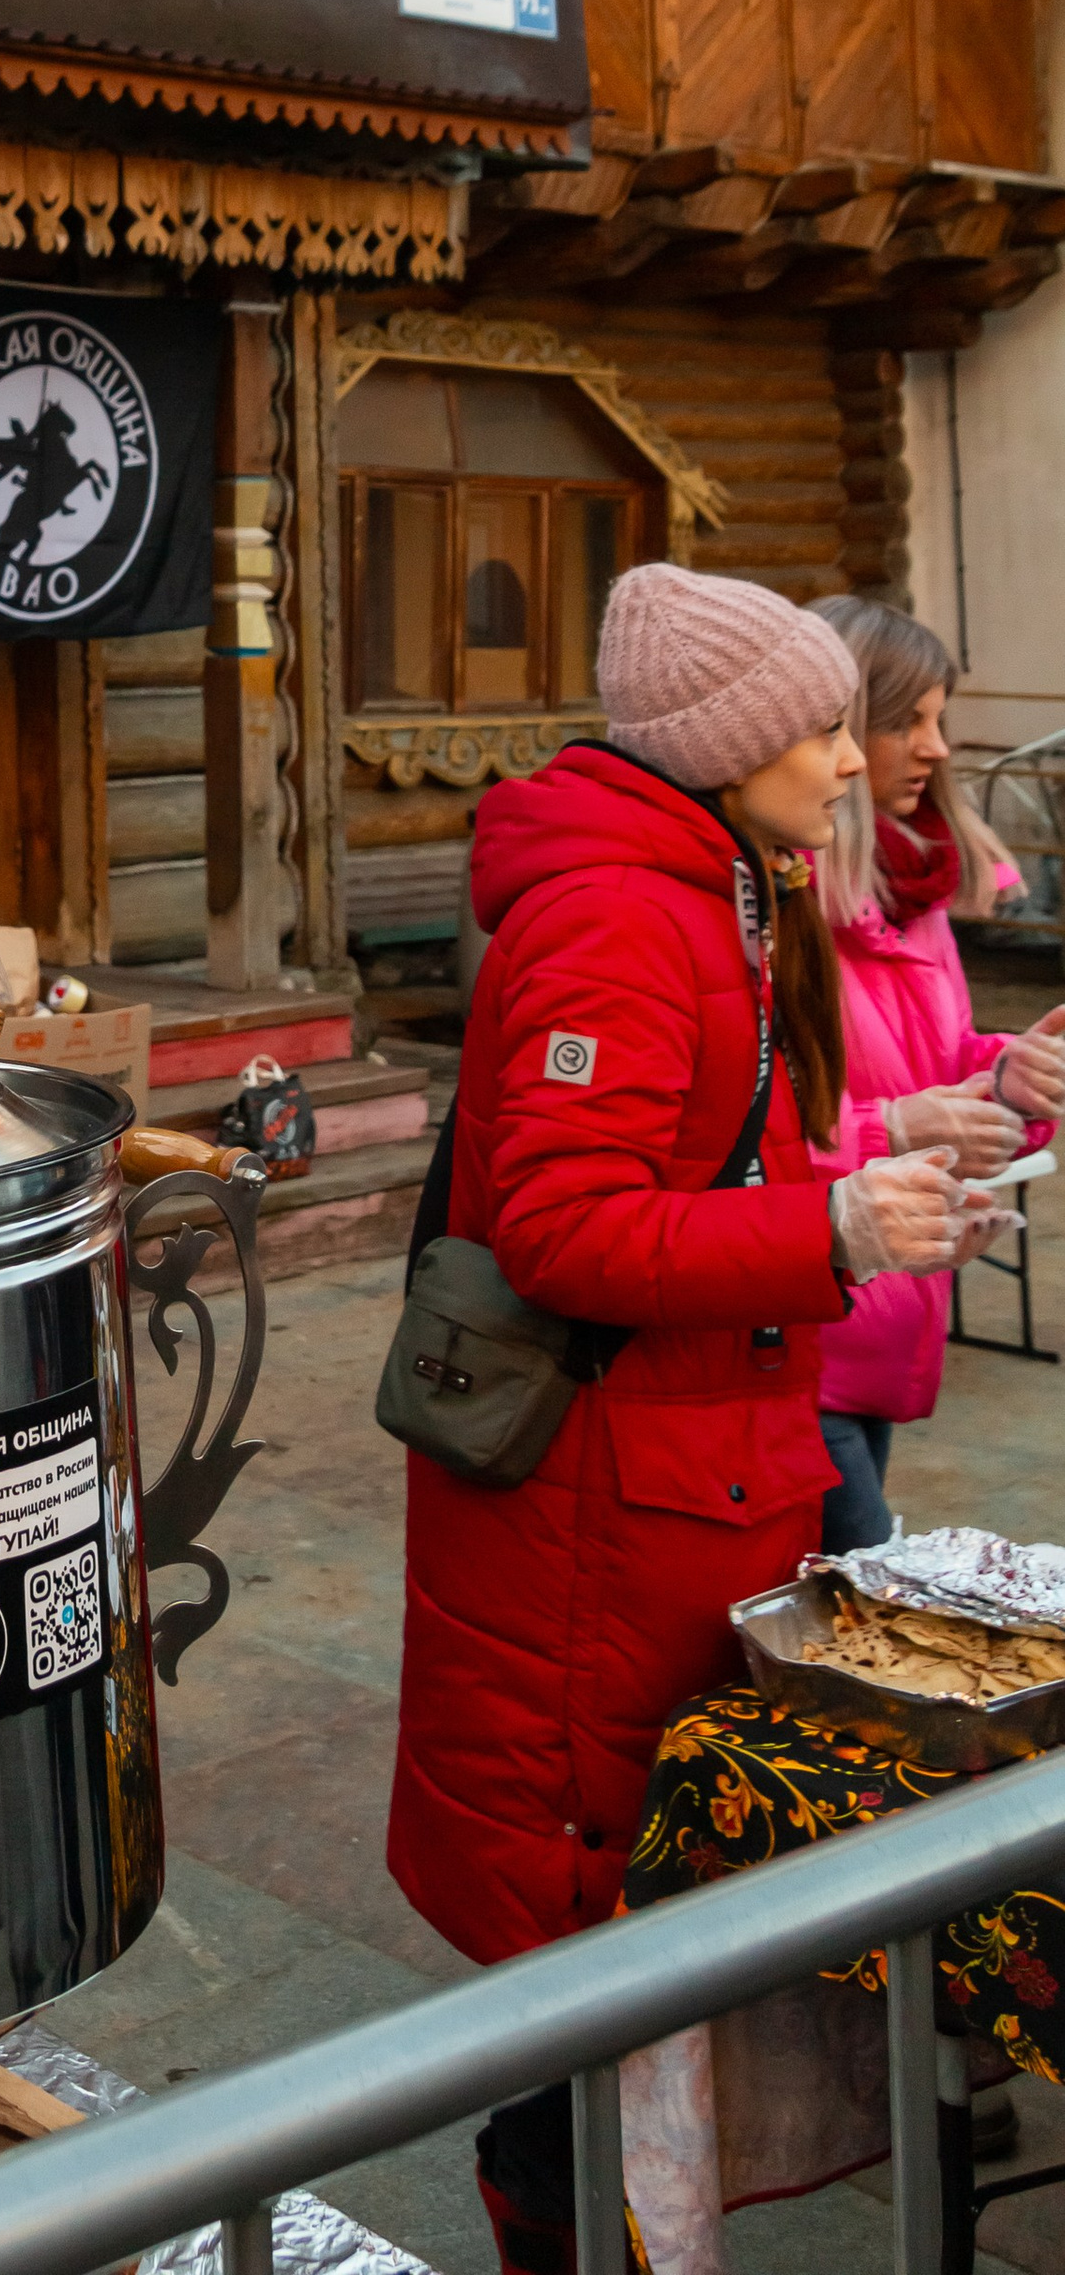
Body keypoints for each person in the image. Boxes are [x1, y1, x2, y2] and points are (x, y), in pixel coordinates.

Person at [386, 564, 1004, 2275]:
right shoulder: (622, 914)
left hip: (686, 1489)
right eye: (819, 728)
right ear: (727, 747)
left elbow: (696, 1161)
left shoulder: (719, 886)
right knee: (588, 1967)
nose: (851, 761)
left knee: (633, 1953)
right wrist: (836, 1230)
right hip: (598, 1522)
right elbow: (563, 1225)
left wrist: (877, 1151)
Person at [805, 596, 1065, 1552]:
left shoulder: (913, 898)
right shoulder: (779, 918)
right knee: (859, 1618)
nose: (939, 748)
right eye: (908, 720)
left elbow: (938, 1074)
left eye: (941, 719)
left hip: (884, 1315)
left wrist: (1012, 1082)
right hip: (796, 1337)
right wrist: (903, 1130)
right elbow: (735, 1140)